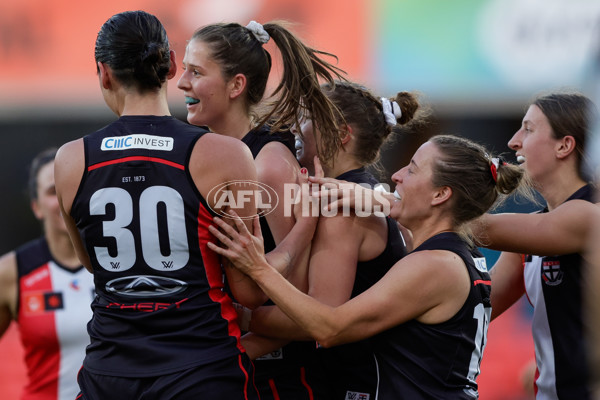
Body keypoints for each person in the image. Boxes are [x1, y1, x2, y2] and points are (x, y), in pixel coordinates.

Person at [208, 134, 525, 399]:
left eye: (412, 171)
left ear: (441, 194)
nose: (397, 175)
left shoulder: (435, 265)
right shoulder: (449, 251)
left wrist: (258, 271)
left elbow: (330, 328)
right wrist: (369, 195)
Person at [54, 11, 267, 399]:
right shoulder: (225, 154)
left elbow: (90, 261)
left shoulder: (70, 160)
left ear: (104, 73)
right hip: (201, 370)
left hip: (109, 373)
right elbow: (249, 290)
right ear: (170, 64)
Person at [176, 20, 346, 398]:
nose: (181, 82)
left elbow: (302, 307)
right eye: (184, 69)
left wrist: (225, 349)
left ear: (236, 85)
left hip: (277, 378)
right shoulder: (209, 153)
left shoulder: (268, 162)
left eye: (196, 72)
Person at [238, 81, 420, 399]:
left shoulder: (342, 209)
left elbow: (317, 319)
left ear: (340, 133)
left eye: (307, 117)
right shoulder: (366, 191)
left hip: (361, 384)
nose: (296, 127)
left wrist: (238, 317)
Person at [473, 92, 600, 399]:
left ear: (564, 145)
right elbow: (476, 306)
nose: (515, 141)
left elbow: (477, 227)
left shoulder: (588, 214)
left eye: (528, 130)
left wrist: (387, 202)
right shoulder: (535, 231)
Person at [0, 148, 94, 400]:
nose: (64, 197)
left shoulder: (121, 261)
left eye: (73, 186)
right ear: (36, 207)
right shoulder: (11, 271)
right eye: (53, 191)